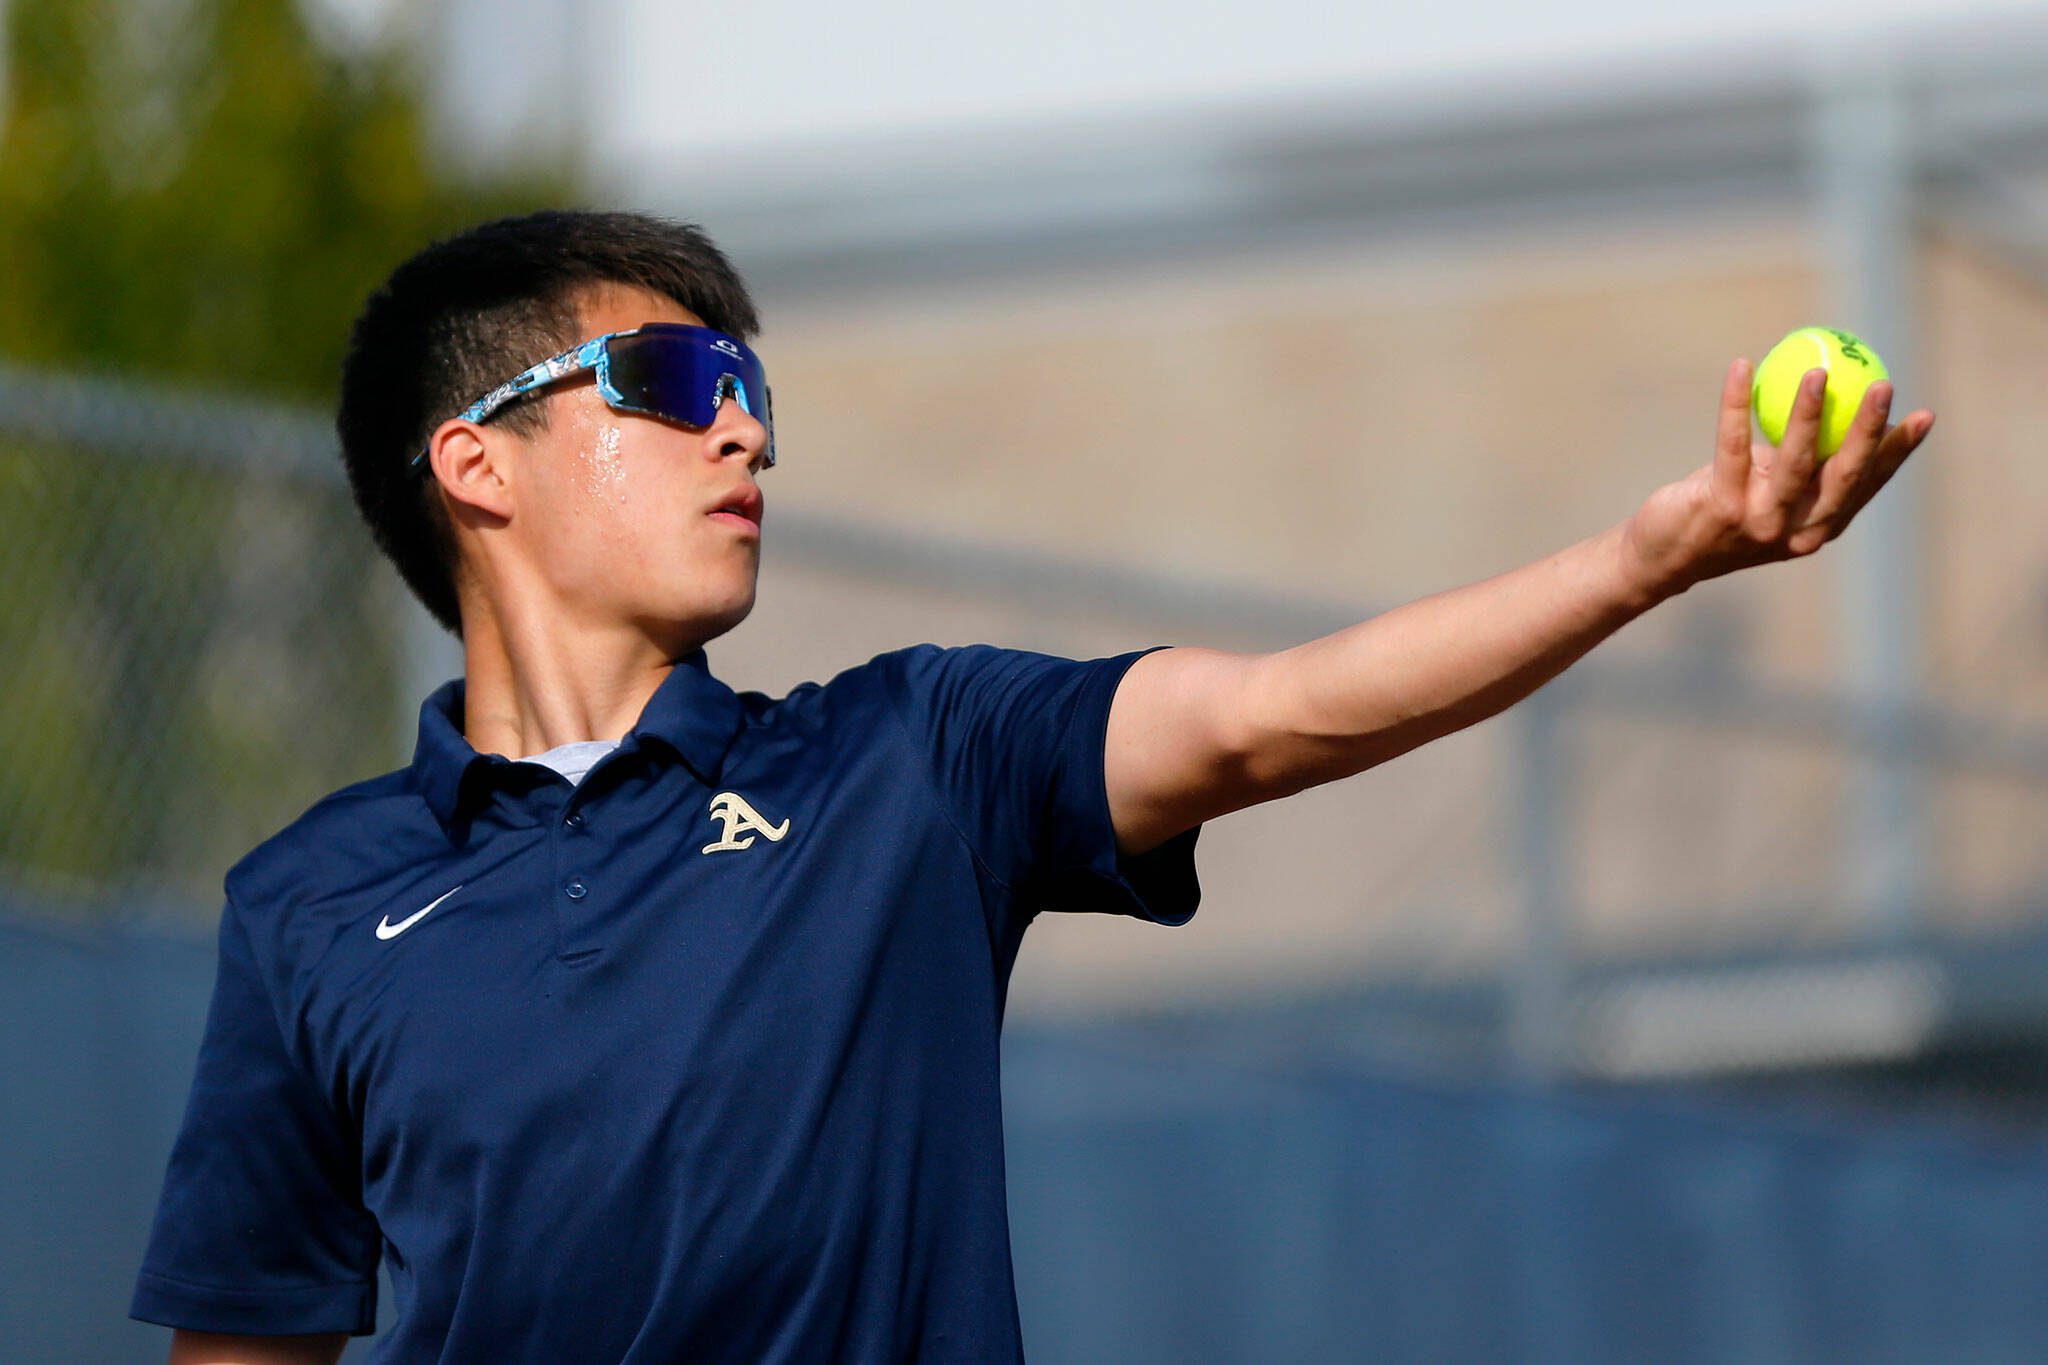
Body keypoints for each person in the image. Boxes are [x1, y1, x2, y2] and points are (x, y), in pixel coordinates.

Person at [130, 209, 1934, 1363]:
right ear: (476, 464)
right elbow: (251, 1350)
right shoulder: (310, 903)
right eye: (674, 379)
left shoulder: (907, 759)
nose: (744, 425)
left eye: (751, 383)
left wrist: (1649, 560)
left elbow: (1277, 711)